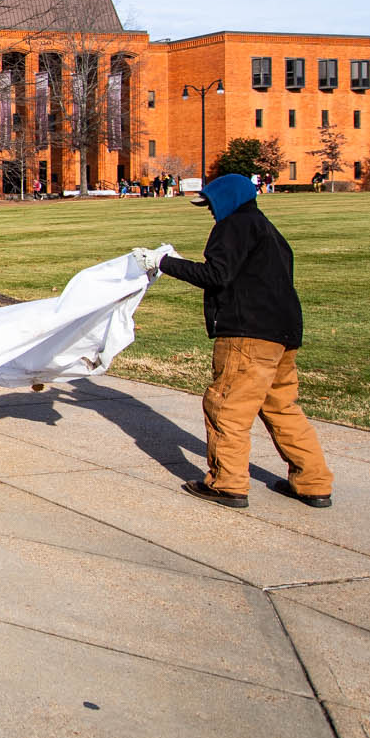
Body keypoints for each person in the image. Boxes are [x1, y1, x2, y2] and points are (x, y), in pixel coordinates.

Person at [131, 172, 333, 509]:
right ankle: (313, 482)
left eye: (210, 203)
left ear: (228, 199)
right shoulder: (269, 232)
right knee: (281, 407)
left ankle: (227, 484)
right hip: (283, 334)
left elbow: (217, 275)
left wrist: (163, 263)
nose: (209, 210)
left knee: (226, 407)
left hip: (247, 334)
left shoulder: (233, 226)